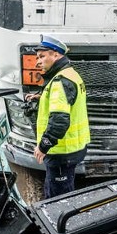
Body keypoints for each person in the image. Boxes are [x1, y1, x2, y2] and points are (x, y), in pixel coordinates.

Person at [24, 34, 90, 199]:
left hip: (61, 152)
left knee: (58, 199)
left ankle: (58, 224)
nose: (38, 62)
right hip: (71, 149)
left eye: (42, 56)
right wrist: (42, 97)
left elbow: (59, 122)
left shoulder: (59, 82)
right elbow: (69, 102)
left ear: (56, 54)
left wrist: (43, 146)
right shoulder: (70, 74)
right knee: (62, 188)